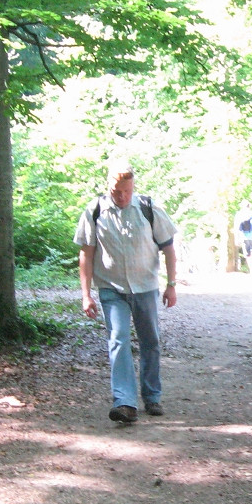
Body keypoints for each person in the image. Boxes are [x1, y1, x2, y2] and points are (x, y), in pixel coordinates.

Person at [74, 167, 178, 423]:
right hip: (112, 288)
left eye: (127, 191)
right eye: (117, 192)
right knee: (118, 340)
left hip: (145, 286)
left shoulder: (148, 208)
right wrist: (86, 294)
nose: (122, 197)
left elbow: (169, 248)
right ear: (108, 187)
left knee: (150, 341)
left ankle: (152, 396)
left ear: (133, 187)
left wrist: (171, 284)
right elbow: (86, 254)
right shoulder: (95, 211)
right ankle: (125, 402)